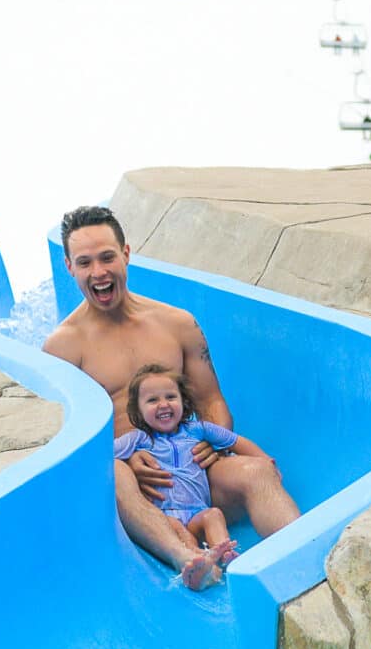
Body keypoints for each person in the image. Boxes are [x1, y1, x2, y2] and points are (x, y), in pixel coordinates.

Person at [43, 205, 301, 590]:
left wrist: (209, 444)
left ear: (126, 254)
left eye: (107, 257)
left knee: (258, 472)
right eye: (85, 262)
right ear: (69, 267)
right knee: (112, 473)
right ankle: (191, 560)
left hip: (192, 470)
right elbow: (64, 442)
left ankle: (303, 559)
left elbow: (211, 399)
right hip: (130, 490)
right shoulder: (63, 348)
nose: (98, 272)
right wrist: (126, 455)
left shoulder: (176, 323)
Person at [115, 363, 268, 571]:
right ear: (138, 411)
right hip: (166, 515)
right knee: (179, 530)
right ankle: (197, 562)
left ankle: (225, 553)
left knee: (213, 515)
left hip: (198, 511)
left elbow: (235, 441)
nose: (163, 404)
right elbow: (103, 454)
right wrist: (130, 458)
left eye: (170, 397)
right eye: (152, 400)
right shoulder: (138, 440)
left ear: (183, 401)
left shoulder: (197, 430)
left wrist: (266, 461)